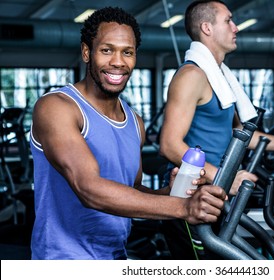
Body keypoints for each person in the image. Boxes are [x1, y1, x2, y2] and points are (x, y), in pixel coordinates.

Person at [29, 6, 226, 260]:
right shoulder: (57, 107)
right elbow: (89, 188)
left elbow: (132, 192)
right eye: (107, 50)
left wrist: (171, 192)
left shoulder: (134, 122)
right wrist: (183, 207)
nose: (118, 62)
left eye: (127, 52)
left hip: (115, 257)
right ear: (87, 52)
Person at [159, 0, 274, 259]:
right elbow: (169, 144)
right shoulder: (192, 76)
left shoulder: (219, 79)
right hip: (189, 194)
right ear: (207, 28)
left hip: (213, 191)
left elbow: (243, 135)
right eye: (228, 21)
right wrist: (224, 178)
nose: (235, 28)